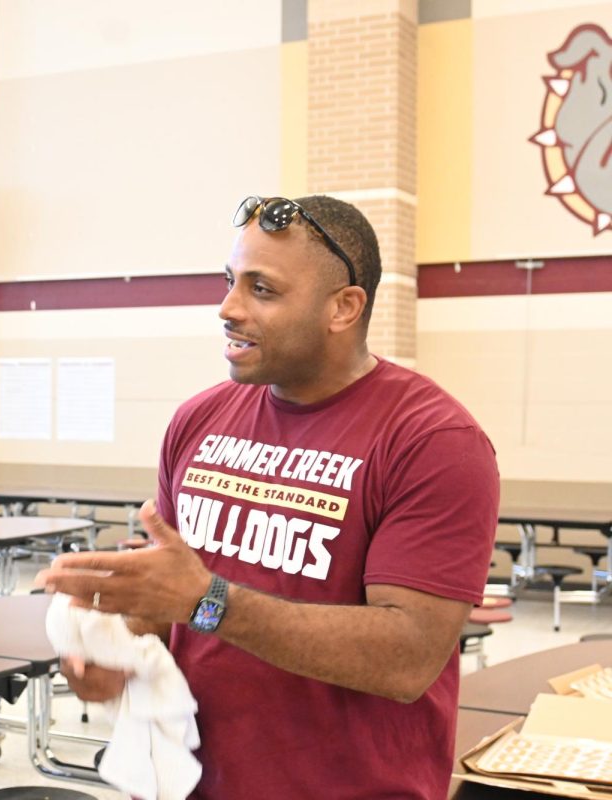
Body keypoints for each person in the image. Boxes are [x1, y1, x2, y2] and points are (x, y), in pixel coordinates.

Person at [38, 195, 499, 799]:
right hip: (196, 785)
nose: (228, 308)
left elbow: (408, 657)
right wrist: (115, 645)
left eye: (263, 289)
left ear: (343, 307)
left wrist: (208, 602)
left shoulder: (432, 440)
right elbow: (172, 599)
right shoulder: (198, 420)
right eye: (230, 282)